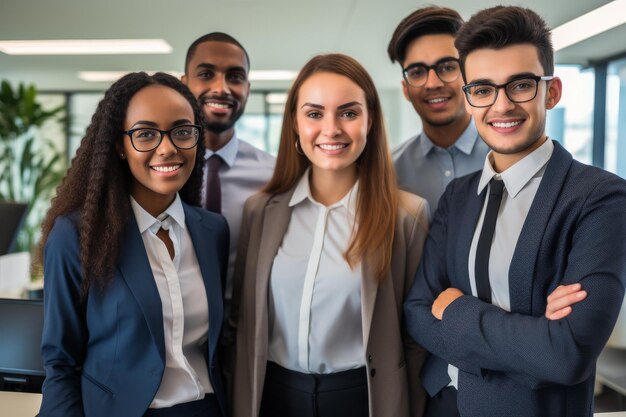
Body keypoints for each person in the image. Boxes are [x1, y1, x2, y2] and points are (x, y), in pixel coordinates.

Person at [404, 6, 626, 417]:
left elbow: (567, 353)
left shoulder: (601, 198)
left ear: (552, 91)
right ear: (470, 98)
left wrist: (456, 310)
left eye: (520, 85)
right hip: (445, 405)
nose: (501, 106)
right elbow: (417, 313)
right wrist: (532, 335)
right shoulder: (458, 195)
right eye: (483, 89)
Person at [232, 54, 429, 417]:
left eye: (349, 113)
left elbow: (416, 340)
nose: (332, 128)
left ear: (370, 121)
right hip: (273, 395)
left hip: (362, 398)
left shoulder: (406, 217)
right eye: (314, 113)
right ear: (294, 122)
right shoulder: (260, 212)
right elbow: (240, 320)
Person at [38, 72, 229, 417]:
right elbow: (60, 361)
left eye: (183, 131)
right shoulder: (76, 235)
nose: (167, 147)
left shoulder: (213, 231)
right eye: (145, 134)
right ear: (119, 146)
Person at [182, 32, 275, 316]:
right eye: (206, 74)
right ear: (184, 84)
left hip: (247, 331)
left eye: (235, 77)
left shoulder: (275, 176)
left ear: (247, 88)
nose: (221, 88)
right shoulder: (157, 171)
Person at [387, 6, 489, 214]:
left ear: (470, 77)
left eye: (448, 67)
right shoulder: (388, 172)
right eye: (417, 72)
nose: (432, 83)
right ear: (406, 89)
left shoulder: (506, 157)